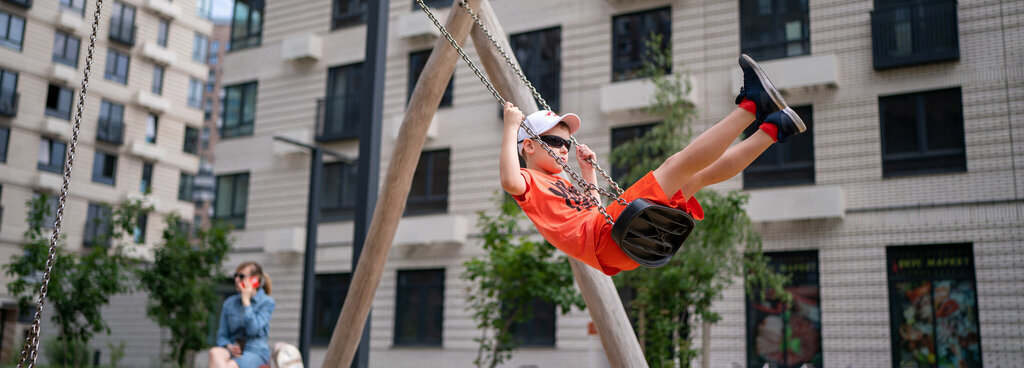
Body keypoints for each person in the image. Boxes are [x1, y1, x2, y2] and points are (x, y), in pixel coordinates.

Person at [499, 54, 806, 276]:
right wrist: (510, 127)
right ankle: (752, 106)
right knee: (676, 166)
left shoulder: (563, 182)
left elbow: (592, 210)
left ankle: (773, 130)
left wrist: (587, 170)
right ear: (528, 145)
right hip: (607, 239)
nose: (563, 151)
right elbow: (510, 182)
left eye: (567, 144)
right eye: (554, 143)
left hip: (615, 242)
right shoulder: (528, 179)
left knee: (693, 180)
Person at [209, 261, 276, 368]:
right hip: (233, 349)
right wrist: (229, 346)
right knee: (215, 352)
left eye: (241, 276)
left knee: (230, 365)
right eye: (236, 275)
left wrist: (246, 303)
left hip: (255, 351)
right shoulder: (229, 303)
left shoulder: (266, 302)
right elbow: (222, 335)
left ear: (255, 279)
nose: (237, 279)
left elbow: (253, 329)